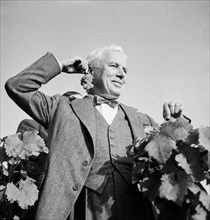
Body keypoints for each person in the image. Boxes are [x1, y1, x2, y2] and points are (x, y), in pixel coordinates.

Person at [5, 45, 185, 220]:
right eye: (114, 66)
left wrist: (175, 123)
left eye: (125, 70)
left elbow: (174, 157)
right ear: (91, 71)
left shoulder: (141, 119)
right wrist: (59, 65)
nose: (122, 74)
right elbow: (17, 86)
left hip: (134, 209)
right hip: (79, 209)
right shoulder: (61, 108)